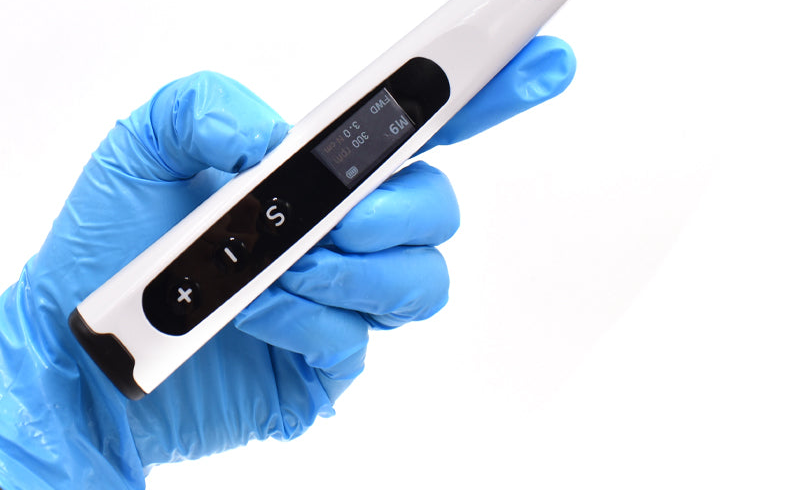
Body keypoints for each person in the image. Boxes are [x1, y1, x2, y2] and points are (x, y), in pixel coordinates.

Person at [0, 36, 575, 490]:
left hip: (131, 345)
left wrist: (73, 420)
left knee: (335, 179)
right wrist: (74, 415)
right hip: (120, 334)